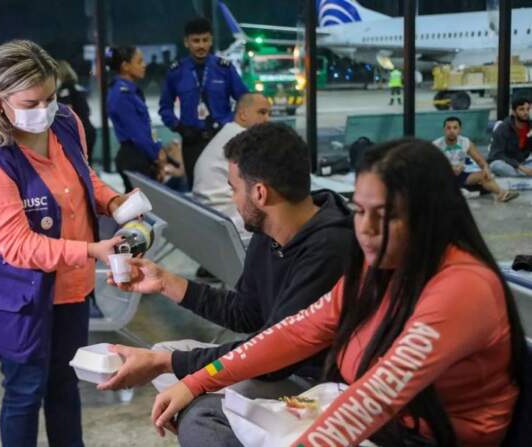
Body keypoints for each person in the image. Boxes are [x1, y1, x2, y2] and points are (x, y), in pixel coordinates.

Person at [152, 138, 526, 447]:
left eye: (386, 214)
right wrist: (198, 379)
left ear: (429, 216)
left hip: (415, 436)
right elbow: (295, 330)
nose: (366, 228)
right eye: (361, 211)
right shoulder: (379, 266)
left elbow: (374, 398)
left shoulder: (461, 287)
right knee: (204, 413)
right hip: (367, 413)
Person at [101, 123, 354, 447]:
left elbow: (276, 357)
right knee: (164, 356)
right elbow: (246, 313)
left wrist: (179, 371)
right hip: (274, 363)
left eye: (233, 188)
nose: (232, 198)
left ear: (260, 193)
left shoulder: (331, 248)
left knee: (199, 412)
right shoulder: (270, 232)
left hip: (311, 381)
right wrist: (165, 282)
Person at [0, 40, 133, 447]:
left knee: (65, 385)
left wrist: (113, 201)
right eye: (32, 102)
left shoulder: (65, 123)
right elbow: (17, 246)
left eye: (50, 97)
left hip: (71, 288)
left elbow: (82, 178)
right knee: (24, 392)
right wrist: (91, 251)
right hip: (17, 297)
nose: (45, 110)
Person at [159, 17, 248, 186]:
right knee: (196, 186)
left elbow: (244, 100)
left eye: (205, 40)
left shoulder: (224, 68)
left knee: (227, 186)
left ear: (211, 40)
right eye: (196, 41)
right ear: (187, 42)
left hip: (223, 139)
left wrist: (228, 123)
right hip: (192, 141)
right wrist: (178, 127)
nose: (201, 45)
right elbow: (165, 107)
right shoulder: (176, 71)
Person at [193, 92, 271, 241]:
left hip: (208, 213)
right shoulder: (244, 141)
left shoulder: (229, 133)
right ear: (243, 115)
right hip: (228, 217)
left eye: (268, 113)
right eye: (262, 112)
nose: (267, 119)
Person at [107, 45, 180, 192]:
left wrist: (158, 150)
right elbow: (138, 134)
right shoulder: (122, 95)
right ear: (125, 66)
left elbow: (146, 130)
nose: (144, 65)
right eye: (139, 62)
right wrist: (157, 155)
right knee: (143, 210)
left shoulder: (131, 92)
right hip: (135, 157)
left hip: (142, 156)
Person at [433, 116, 518, 202]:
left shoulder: (465, 142)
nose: (451, 131)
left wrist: (485, 169)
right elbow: (431, 166)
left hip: (461, 175)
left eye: (455, 128)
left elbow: (480, 160)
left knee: (484, 176)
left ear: (460, 130)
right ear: (444, 130)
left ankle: (502, 194)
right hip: (444, 178)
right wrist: (449, 168)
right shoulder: (436, 145)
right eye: (448, 128)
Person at [57, 60, 96, 161]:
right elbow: (87, 110)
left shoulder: (64, 91)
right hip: (88, 130)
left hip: (77, 133)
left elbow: (66, 112)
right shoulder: (78, 88)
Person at [488, 95, 532, 177]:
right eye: (521, 109)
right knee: (497, 166)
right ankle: (523, 176)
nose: (526, 112)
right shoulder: (503, 128)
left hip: (523, 163)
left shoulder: (530, 126)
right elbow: (496, 154)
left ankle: (521, 176)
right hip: (506, 163)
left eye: (528, 109)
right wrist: (519, 167)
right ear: (514, 112)